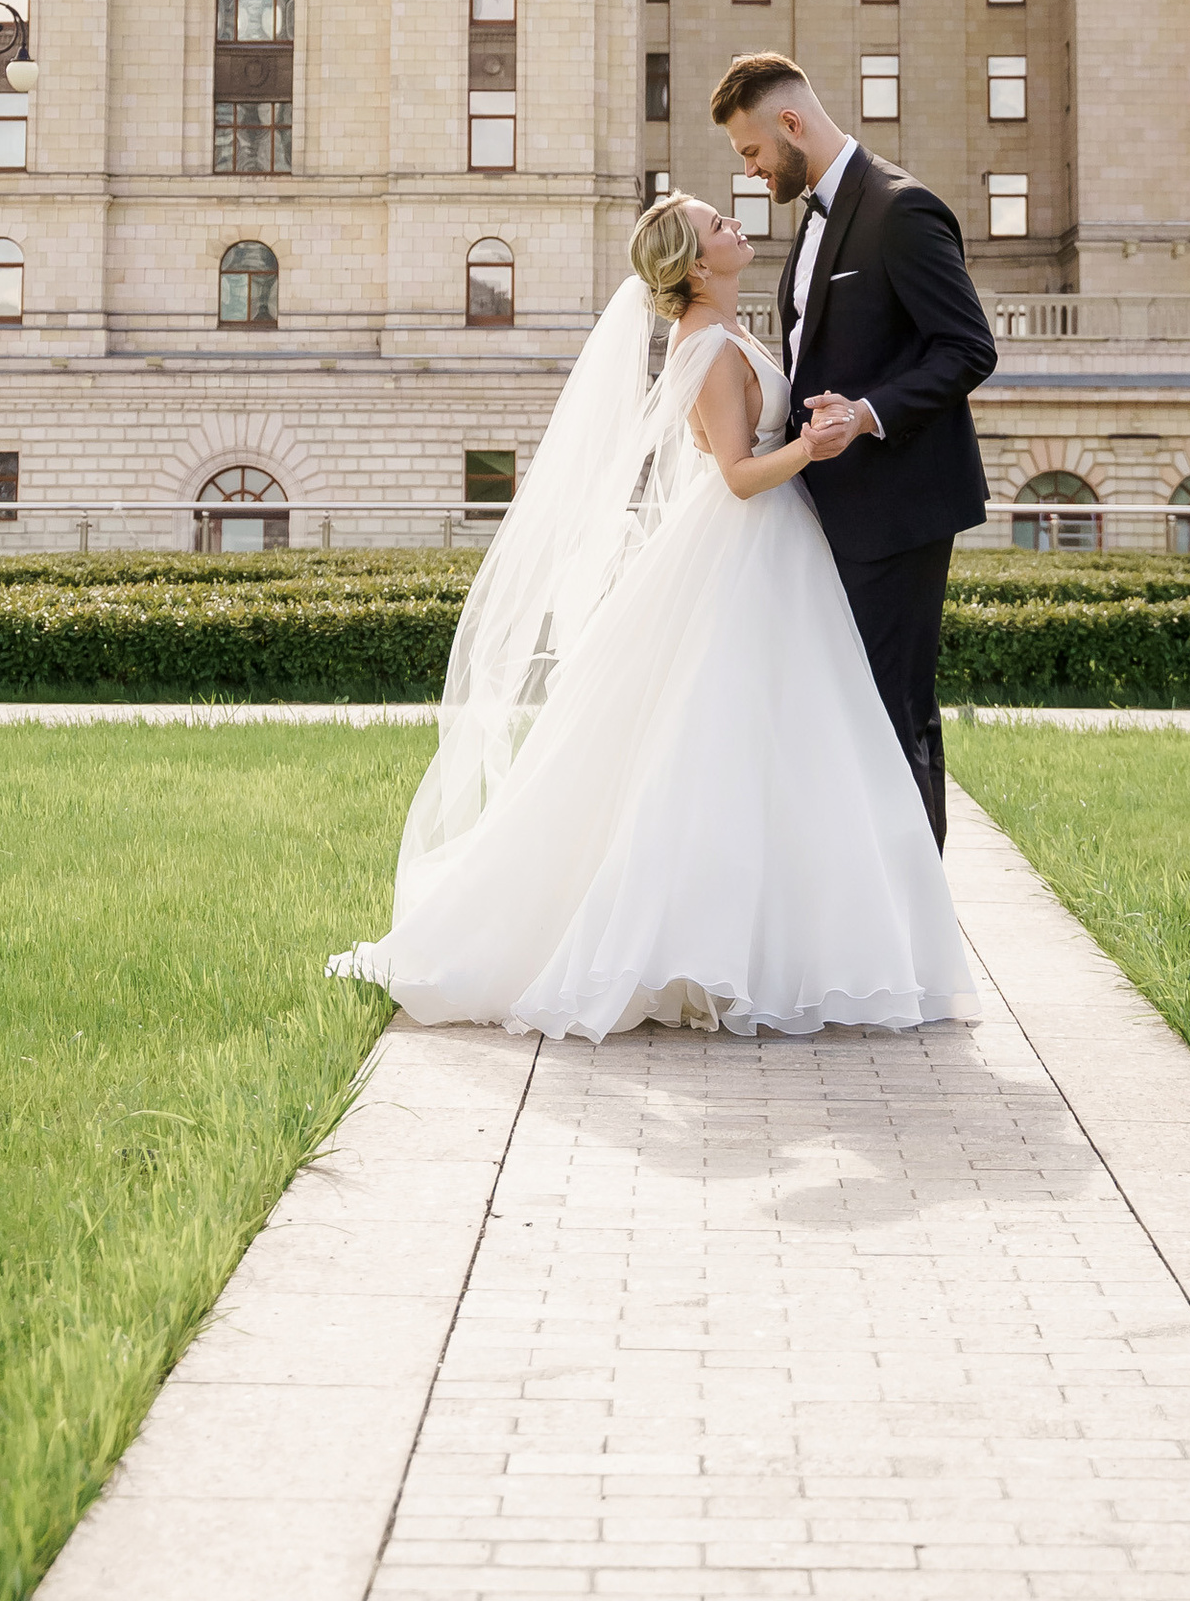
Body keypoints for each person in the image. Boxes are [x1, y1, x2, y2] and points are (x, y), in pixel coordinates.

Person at [327, 192, 975, 1041]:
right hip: (749, 543)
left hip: (776, 548)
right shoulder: (705, 349)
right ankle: (701, 950)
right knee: (723, 745)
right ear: (699, 265)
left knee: (783, 743)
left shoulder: (726, 333)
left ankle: (779, 946)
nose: (735, 225)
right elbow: (739, 474)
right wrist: (814, 446)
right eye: (718, 225)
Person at [710, 51, 997, 849]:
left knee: (892, 710)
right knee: (844, 713)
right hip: (830, 512)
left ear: (791, 124)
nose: (752, 168)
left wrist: (869, 413)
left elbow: (968, 349)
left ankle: (913, 926)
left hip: (898, 509)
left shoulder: (903, 210)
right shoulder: (813, 219)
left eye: (753, 151)